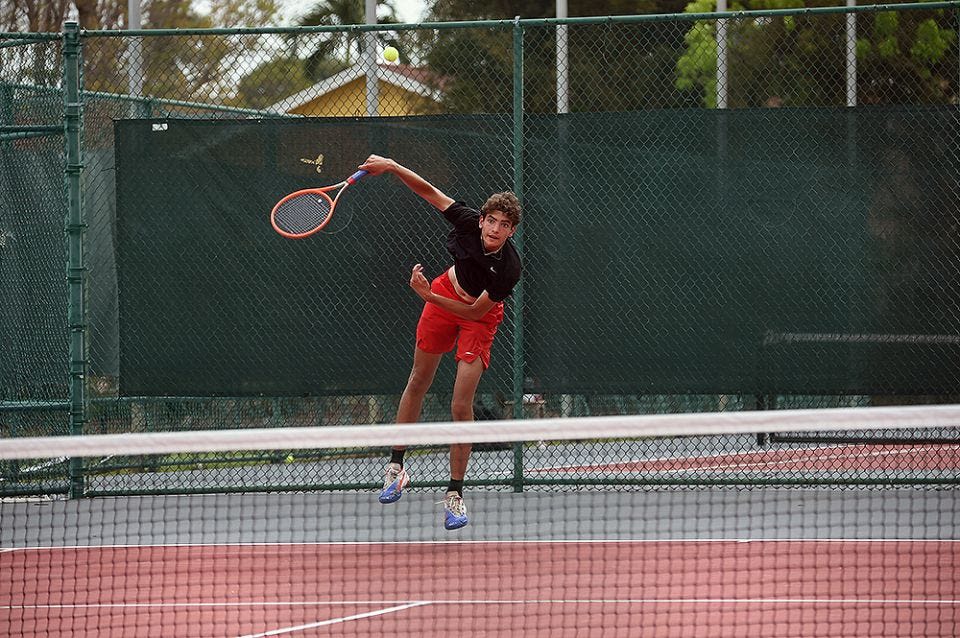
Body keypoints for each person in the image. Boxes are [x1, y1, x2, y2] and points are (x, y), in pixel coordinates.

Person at [357, 154, 522, 530]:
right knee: (418, 380)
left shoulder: (509, 268)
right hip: (446, 291)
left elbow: (475, 313)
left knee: (460, 404)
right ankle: (396, 466)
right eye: (492, 220)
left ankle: (455, 494)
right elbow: (430, 192)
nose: (496, 228)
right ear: (481, 220)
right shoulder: (466, 221)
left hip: (477, 316)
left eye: (505, 225)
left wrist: (428, 297)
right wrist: (395, 166)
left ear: (511, 231)